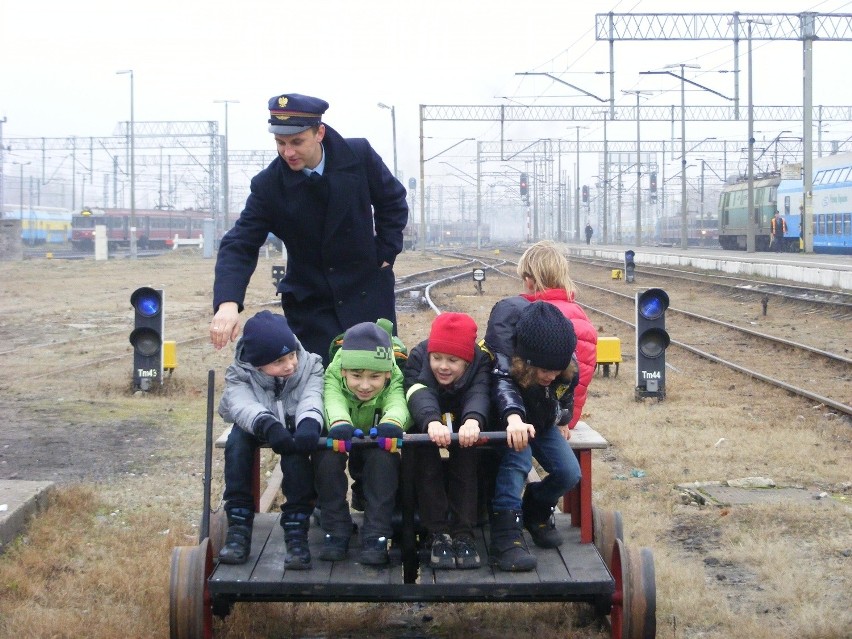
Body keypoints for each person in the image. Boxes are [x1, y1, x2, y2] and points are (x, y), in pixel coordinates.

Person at [210, 93, 408, 364]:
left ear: (319, 133)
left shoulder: (359, 157)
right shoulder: (269, 185)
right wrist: (228, 303)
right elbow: (240, 243)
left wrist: (386, 251)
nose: (287, 152)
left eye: (296, 142)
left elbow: (392, 200)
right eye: (280, 143)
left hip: (366, 294)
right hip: (312, 306)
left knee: (373, 382)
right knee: (318, 389)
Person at [217, 310, 325, 569]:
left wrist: (310, 422)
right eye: (279, 362)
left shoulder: (310, 365)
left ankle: (297, 529)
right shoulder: (240, 373)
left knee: (297, 454)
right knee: (237, 446)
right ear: (257, 365)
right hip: (255, 424)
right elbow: (241, 405)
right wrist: (267, 424)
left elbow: (312, 396)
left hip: (295, 421)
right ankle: (239, 526)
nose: (290, 365)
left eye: (292, 355)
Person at [483, 301, 582, 572]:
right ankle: (506, 533)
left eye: (556, 369)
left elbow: (566, 394)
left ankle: (535, 509)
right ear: (526, 361)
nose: (551, 375)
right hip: (508, 422)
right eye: (544, 369)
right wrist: (514, 418)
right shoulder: (508, 364)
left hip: (541, 423)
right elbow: (505, 390)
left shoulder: (563, 369)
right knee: (519, 458)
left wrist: (563, 419)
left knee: (569, 472)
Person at [314, 320, 411, 566]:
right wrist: (338, 422)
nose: (365, 385)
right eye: (356, 376)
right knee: (326, 460)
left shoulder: (395, 377)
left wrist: (393, 421)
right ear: (345, 371)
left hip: (377, 436)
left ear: (387, 373)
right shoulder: (334, 373)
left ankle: (376, 533)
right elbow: (332, 398)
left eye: (375, 377)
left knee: (385, 459)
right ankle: (336, 528)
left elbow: (398, 402)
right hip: (342, 432)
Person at [403, 312, 491, 570]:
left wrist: (473, 420)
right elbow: (418, 390)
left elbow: (480, 391)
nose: (443, 366)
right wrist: (430, 421)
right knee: (425, 461)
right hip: (427, 422)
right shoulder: (419, 356)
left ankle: (464, 531)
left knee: (467, 460)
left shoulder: (480, 361)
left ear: (466, 360)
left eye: (452, 360)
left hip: (463, 419)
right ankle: (437, 531)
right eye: (437, 358)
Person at [516, 240, 597, 428]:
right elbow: (582, 373)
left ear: (529, 281)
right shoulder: (579, 314)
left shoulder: (532, 315)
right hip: (568, 417)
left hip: (539, 417)